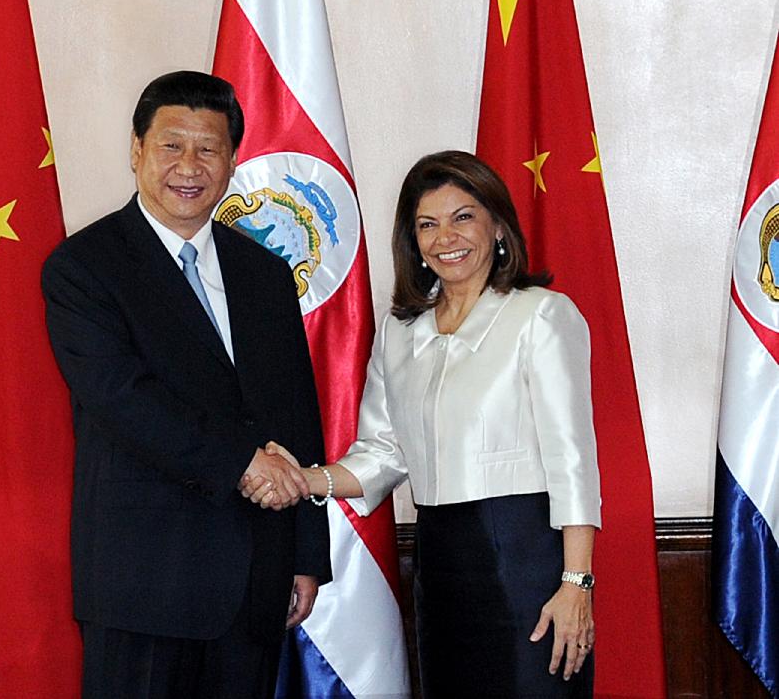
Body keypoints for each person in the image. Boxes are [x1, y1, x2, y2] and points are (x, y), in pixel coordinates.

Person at [246, 151, 602, 698]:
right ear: (413, 241)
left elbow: (573, 458)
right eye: (427, 224)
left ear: (498, 226)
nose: (446, 237)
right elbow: (384, 454)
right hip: (439, 561)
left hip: (527, 557)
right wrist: (305, 479)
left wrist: (576, 584)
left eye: (463, 217)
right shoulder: (399, 331)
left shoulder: (541, 315)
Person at [41, 71, 330, 699]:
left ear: (232, 163)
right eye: (171, 145)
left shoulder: (267, 274)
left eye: (209, 148)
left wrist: (306, 553)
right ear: (137, 150)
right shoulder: (84, 267)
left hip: (257, 575)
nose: (188, 165)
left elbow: (295, 413)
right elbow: (124, 399)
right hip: (144, 581)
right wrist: (243, 464)